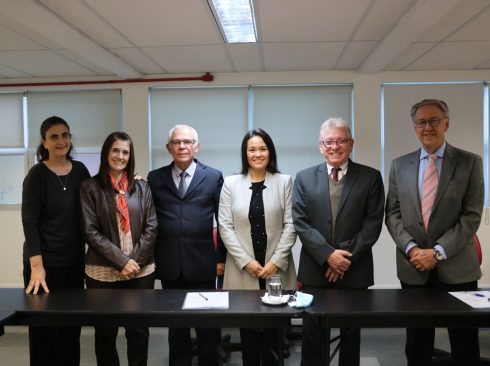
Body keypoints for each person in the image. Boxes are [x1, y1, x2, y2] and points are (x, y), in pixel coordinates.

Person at [385, 99, 483, 366]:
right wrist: (413, 250)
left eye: (434, 120)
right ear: (414, 127)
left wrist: (437, 252)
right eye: (421, 122)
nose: (428, 127)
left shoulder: (469, 163)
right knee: (417, 343)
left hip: (457, 268)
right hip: (413, 268)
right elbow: (392, 214)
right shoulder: (399, 165)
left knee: (464, 344)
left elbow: (471, 216)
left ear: (446, 123)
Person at [292, 117, 385, 366]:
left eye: (341, 140)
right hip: (315, 269)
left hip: (354, 269)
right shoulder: (303, 178)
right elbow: (300, 222)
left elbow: (373, 223)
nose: (335, 147)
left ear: (351, 143)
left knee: (350, 334)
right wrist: (327, 256)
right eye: (329, 142)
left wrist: (343, 258)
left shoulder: (371, 177)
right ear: (320, 146)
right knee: (312, 333)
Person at [148, 124, 225, 366]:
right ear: (168, 148)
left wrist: (221, 258)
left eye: (188, 142)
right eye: (177, 142)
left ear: (197, 147)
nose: (182, 146)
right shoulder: (154, 178)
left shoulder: (213, 176)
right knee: (176, 324)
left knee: (206, 323)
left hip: (202, 260)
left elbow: (223, 222)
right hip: (169, 261)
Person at [219, 128, 297, 365]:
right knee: (249, 334)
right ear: (245, 154)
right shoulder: (231, 183)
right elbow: (225, 226)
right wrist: (247, 262)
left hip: (276, 269)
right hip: (243, 269)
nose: (257, 154)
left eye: (262, 148)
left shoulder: (285, 182)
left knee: (275, 334)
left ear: (270, 151)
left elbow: (291, 224)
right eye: (252, 149)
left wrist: (274, 262)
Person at [80, 132, 157, 366]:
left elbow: (151, 227)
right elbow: (90, 231)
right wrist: (121, 261)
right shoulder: (89, 187)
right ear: (106, 153)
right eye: (115, 150)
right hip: (102, 273)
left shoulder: (142, 186)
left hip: (140, 271)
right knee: (105, 334)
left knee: (138, 332)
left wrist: (133, 262)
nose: (120, 156)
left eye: (125, 152)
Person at [21, 116, 90, 366]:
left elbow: (98, 197)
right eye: (54, 136)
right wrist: (37, 267)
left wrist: (129, 180)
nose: (62, 141)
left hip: (73, 263)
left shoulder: (80, 170)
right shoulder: (37, 175)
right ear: (44, 142)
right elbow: (29, 222)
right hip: (43, 267)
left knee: (71, 329)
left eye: (65, 135)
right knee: (44, 331)